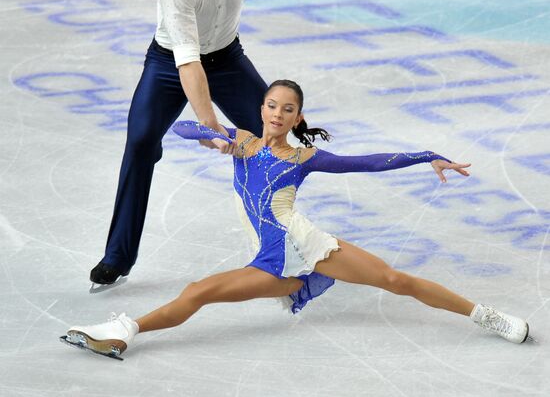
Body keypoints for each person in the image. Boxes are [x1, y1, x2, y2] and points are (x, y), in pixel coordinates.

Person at [65, 80, 530, 358]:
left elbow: (367, 162)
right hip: (271, 261)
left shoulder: (304, 157)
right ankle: (125, 332)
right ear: (262, 109)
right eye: (272, 106)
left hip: (305, 245)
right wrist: (213, 135)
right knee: (200, 292)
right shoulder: (242, 141)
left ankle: (486, 316)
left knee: (394, 279)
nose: (277, 114)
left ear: (296, 117)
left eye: (287, 109)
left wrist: (429, 155)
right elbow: (179, 127)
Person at [90, 0, 312, 287]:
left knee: (274, 136)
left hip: (228, 59)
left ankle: (282, 238)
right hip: (170, 66)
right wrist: (208, 125)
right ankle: (117, 256)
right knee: (139, 143)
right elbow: (188, 64)